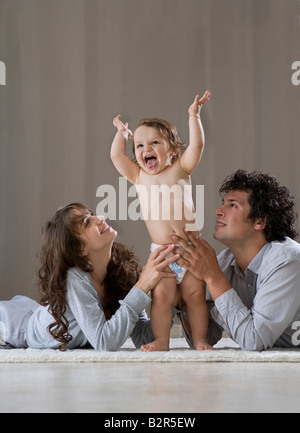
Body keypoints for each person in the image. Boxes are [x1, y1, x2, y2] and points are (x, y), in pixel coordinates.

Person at [0, 203, 180, 351]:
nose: (100, 218)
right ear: (79, 249)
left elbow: (143, 337)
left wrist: (169, 299)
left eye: (91, 215)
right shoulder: (75, 279)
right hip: (15, 326)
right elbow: (104, 342)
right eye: (87, 222)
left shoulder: (119, 273)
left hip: (31, 310)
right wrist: (141, 287)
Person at [111, 91, 212, 351]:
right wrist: (122, 134)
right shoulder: (138, 177)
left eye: (155, 143)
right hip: (163, 254)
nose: (146, 149)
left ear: (173, 151)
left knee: (195, 297)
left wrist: (194, 115)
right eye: (140, 145)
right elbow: (116, 157)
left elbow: (198, 146)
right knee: (160, 297)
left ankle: (200, 340)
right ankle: (162, 340)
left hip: (191, 250)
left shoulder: (180, 169)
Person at [172, 170, 300, 351]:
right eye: (222, 204)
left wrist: (213, 277)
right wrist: (183, 299)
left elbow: (254, 341)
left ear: (260, 221)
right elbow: (204, 338)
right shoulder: (224, 263)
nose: (218, 211)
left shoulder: (288, 261)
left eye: (232, 205)